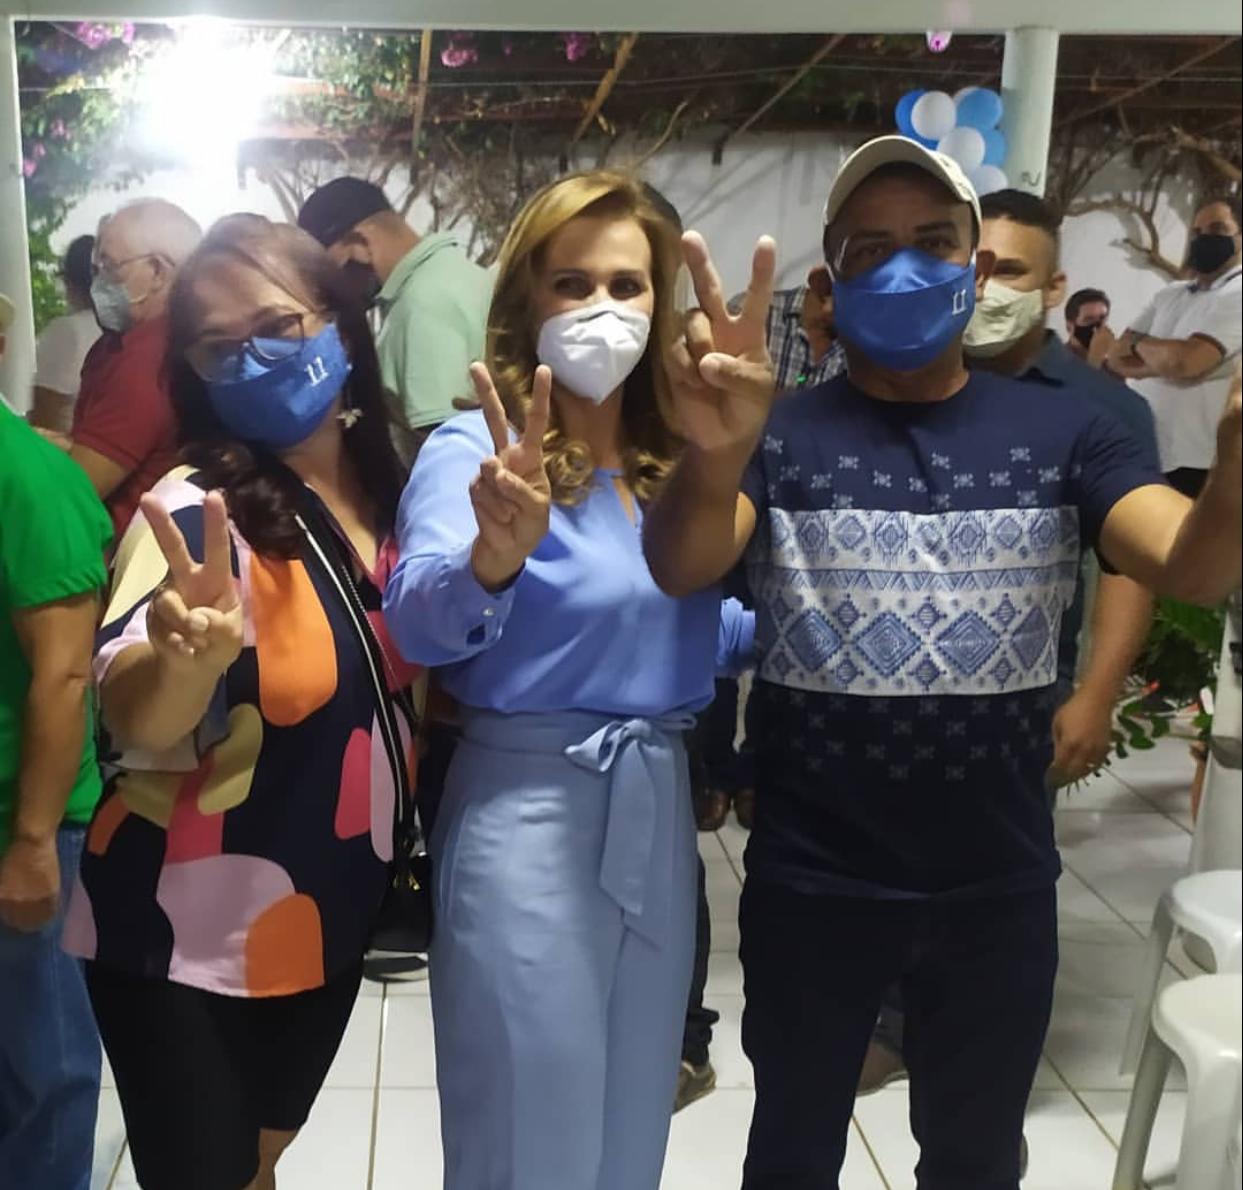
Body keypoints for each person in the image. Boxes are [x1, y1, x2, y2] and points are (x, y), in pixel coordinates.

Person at [644, 135, 1242, 1189]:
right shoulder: (776, 435)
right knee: (790, 1150)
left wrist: (1233, 466)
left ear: (977, 268)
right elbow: (681, 562)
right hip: (812, 878)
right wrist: (713, 449)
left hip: (993, 882)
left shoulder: (1067, 430)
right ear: (830, 282)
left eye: (931, 242)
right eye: (870, 250)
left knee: (972, 1160)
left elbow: (1190, 566)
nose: (905, 269)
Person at [382, 171, 756, 1190]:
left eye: (627, 285)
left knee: (632, 1114)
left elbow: (681, 625)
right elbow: (414, 621)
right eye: (571, 282)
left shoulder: (677, 461)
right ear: (526, 300)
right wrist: (489, 562)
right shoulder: (480, 448)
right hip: (526, 815)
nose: (602, 307)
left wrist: (796, 629)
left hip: (654, 809)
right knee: (529, 1120)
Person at [62, 214, 418, 1190]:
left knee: (257, 1163)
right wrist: (183, 661)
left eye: (277, 327)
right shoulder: (195, 508)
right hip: (178, 931)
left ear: (339, 324)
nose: (252, 360)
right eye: (220, 347)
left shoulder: (391, 500)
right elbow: (133, 712)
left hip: (326, 908)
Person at [842, 187, 1163, 1102]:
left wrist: (1095, 694)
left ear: (1052, 285)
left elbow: (1131, 563)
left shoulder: (1098, 408)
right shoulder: (895, 382)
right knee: (878, 858)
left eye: (1013, 271)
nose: (987, 289)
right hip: (881, 684)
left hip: (1018, 688)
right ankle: (886, 1018)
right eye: (978, 266)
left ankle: (965, 1061)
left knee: (991, 881)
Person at [0, 318, 113, 1190]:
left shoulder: (30, 479)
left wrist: (34, 841)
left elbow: (65, 673)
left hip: (26, 824)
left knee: (46, 1070)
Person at [297, 177, 494, 445]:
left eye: (333, 276)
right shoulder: (457, 274)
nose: (334, 295)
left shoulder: (419, 306)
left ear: (360, 243)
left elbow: (450, 446)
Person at [58, 200, 202, 538]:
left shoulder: (148, 360)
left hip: (119, 558)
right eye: (96, 269)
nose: (98, 283)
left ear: (157, 272)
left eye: (110, 266)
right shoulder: (122, 344)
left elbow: (71, 488)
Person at [1109, 194, 1243, 497]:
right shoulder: (1170, 293)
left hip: (1202, 460)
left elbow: (1186, 361)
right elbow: (1116, 356)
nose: (1203, 239)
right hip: (1148, 448)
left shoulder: (1238, 293)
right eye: (1196, 232)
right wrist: (1166, 360)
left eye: (1218, 229)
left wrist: (1139, 344)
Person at [29, 235, 101, 433]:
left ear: (70, 282)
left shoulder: (67, 332)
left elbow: (46, 421)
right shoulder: (131, 333)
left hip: (70, 449)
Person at [1063, 286, 1115, 370]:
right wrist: (1095, 359)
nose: (1096, 327)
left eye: (1102, 318)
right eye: (1088, 319)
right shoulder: (1055, 360)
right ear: (1069, 327)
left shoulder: (1110, 368)